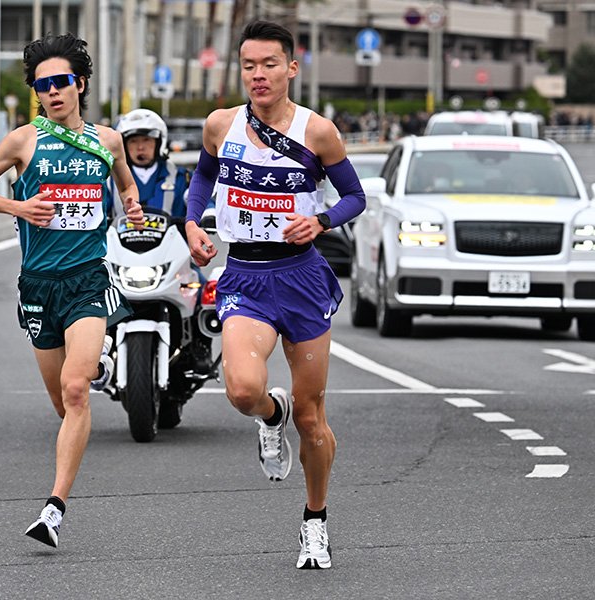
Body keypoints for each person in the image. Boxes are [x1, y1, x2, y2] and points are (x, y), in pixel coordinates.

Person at [184, 20, 366, 570]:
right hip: (244, 275)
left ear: (291, 66)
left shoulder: (318, 132)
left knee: (311, 418)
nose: (258, 75)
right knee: (241, 390)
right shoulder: (221, 125)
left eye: (269, 64)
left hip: (301, 278)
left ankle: (315, 521)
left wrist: (323, 222)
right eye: (248, 66)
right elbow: (200, 181)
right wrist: (194, 224)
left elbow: (355, 196)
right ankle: (269, 415)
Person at [0, 32, 144, 549]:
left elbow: (126, 183)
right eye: (43, 86)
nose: (53, 92)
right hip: (39, 285)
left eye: (62, 82)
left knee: (75, 388)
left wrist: (130, 204)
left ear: (80, 84)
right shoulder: (23, 141)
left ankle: (54, 508)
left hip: (89, 276)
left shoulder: (107, 141)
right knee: (61, 402)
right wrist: (19, 207)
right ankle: (84, 387)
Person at [111, 109, 214, 375]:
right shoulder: (109, 181)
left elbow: (201, 199)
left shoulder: (179, 177)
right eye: (133, 141)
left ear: (160, 143)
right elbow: (94, 211)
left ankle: (200, 348)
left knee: (201, 288)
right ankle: (97, 351)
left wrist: (210, 214)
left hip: (172, 258)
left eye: (146, 140)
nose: (140, 147)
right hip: (120, 258)